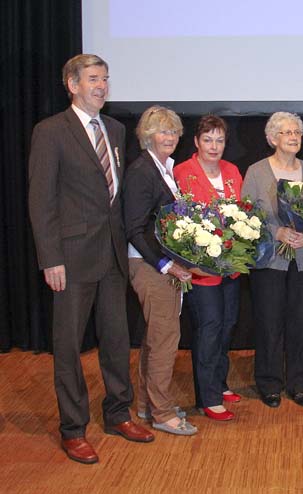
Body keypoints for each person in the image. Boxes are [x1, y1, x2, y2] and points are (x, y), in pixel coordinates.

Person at [28, 54, 154, 464]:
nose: (102, 86)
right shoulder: (51, 132)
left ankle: (118, 412)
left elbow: (112, 197)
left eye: (105, 79)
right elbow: (41, 200)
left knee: (117, 341)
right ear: (72, 84)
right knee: (67, 347)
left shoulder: (115, 130)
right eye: (93, 79)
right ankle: (73, 429)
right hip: (72, 257)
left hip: (112, 255)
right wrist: (51, 258)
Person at [242, 112, 303, 408]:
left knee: (301, 322)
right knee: (269, 323)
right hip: (270, 260)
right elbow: (245, 217)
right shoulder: (256, 172)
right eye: (286, 132)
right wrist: (276, 231)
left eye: (297, 132)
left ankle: (299, 383)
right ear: (272, 139)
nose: (294, 137)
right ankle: (269, 383)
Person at [123, 106, 197, 435]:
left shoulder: (164, 169)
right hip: (149, 265)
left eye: (173, 132)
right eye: (162, 131)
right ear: (147, 136)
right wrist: (168, 265)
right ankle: (163, 413)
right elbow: (134, 229)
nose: (169, 137)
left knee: (154, 339)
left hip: (159, 264)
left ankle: (146, 405)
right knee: (166, 340)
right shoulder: (143, 171)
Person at [174, 115, 243, 421]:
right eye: (208, 140)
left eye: (220, 140)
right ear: (196, 142)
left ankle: (219, 381)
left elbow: (242, 213)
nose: (214, 147)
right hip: (201, 271)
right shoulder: (182, 172)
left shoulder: (232, 171)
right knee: (209, 328)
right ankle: (208, 398)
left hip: (230, 265)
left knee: (227, 325)